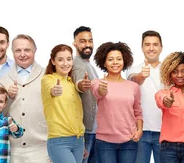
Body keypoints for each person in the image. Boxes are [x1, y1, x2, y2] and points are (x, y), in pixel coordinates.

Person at [0, 34, 49, 162]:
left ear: (34, 50)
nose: (22, 54)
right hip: (14, 150)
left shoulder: (47, 75)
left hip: (42, 149)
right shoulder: (4, 80)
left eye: (27, 50)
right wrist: (8, 98)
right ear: (12, 52)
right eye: (18, 50)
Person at [91, 41, 143, 163]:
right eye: (110, 59)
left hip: (129, 142)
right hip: (105, 143)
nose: (115, 62)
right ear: (104, 62)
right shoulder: (97, 83)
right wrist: (102, 89)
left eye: (119, 59)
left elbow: (138, 112)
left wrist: (139, 130)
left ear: (124, 61)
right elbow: (98, 92)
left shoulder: (133, 86)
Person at [41, 44, 85, 163]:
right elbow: (51, 89)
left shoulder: (72, 83)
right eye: (60, 59)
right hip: (59, 140)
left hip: (78, 140)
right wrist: (54, 90)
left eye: (69, 59)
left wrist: (81, 139)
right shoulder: (48, 79)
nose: (66, 63)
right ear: (53, 61)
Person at [126, 30, 164, 163]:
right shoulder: (133, 69)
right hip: (140, 131)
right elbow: (133, 79)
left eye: (155, 44)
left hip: (164, 131)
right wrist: (142, 76)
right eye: (147, 44)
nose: (151, 48)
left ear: (161, 47)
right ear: (142, 47)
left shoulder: (169, 70)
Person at [71, 26, 99, 163]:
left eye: (90, 41)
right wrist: (82, 84)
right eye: (82, 41)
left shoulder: (89, 65)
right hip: (84, 132)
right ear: (75, 44)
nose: (87, 44)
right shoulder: (77, 63)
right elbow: (79, 81)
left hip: (93, 131)